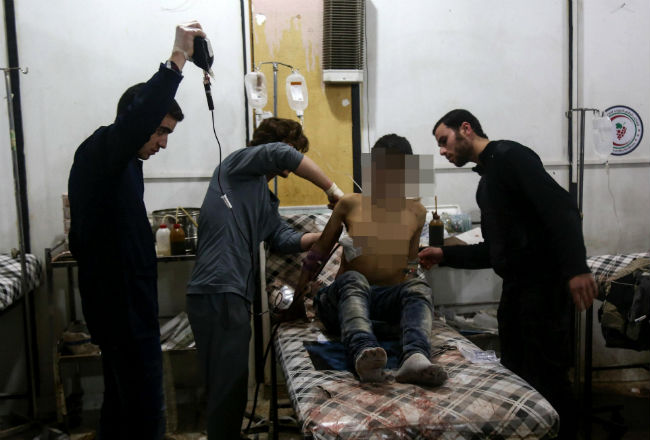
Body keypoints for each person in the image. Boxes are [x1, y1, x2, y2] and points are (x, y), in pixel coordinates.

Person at [419, 109, 598, 438]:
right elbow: (495, 251)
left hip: (544, 289)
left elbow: (562, 208)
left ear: (466, 128)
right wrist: (445, 254)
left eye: (444, 141)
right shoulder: (487, 181)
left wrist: (576, 268)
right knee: (517, 377)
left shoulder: (510, 156)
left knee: (548, 379)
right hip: (517, 292)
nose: (442, 151)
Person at [67, 21, 205, 439]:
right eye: (160, 130)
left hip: (128, 303)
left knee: (122, 404)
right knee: (145, 408)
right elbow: (137, 120)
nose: (163, 143)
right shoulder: (102, 150)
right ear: (135, 120)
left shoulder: (126, 165)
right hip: (119, 306)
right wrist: (178, 58)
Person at [186, 117, 343, 439]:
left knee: (226, 385)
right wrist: (333, 191)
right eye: (292, 149)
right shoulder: (235, 167)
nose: (294, 158)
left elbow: (281, 238)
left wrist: (324, 235)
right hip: (220, 287)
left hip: (226, 293)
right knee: (227, 388)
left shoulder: (264, 196)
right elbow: (282, 155)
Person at [293, 134, 448, 386]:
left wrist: (411, 289)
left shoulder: (417, 212)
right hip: (341, 304)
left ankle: (415, 357)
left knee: (418, 286)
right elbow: (318, 253)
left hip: (382, 307)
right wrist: (297, 301)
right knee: (355, 278)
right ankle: (364, 353)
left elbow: (410, 264)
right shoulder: (350, 203)